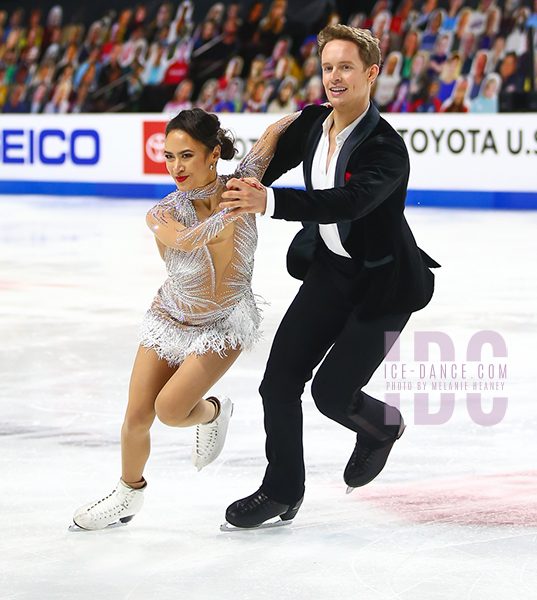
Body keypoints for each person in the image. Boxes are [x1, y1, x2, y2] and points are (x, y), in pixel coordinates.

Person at [219, 24, 439, 529]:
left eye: (345, 67)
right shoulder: (314, 123)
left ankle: (382, 426)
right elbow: (267, 167)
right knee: (278, 384)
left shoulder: (385, 148)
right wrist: (239, 184)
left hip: (383, 287)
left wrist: (269, 203)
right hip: (331, 271)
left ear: (371, 74)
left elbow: (351, 201)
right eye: (327, 67)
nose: (334, 77)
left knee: (331, 395)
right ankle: (282, 490)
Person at [71, 107, 298, 531]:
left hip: (224, 321)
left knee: (171, 411)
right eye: (169, 156)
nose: (175, 167)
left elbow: (271, 135)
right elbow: (187, 239)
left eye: (186, 156)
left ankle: (213, 412)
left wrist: (314, 110)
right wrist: (231, 213)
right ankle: (126, 493)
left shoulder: (241, 185)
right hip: (170, 317)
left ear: (213, 155)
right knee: (137, 417)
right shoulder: (165, 212)